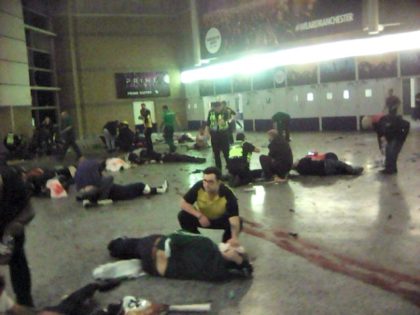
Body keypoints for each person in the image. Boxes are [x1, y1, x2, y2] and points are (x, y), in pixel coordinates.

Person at [107, 230, 253, 282]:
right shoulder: (220, 275)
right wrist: (239, 261)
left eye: (231, 245)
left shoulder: (206, 244)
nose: (229, 242)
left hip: (151, 248)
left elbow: (174, 237)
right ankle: (120, 247)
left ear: (228, 251)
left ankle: (117, 245)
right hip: (156, 270)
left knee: (137, 243)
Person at [0, 166, 35, 307]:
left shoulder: (13, 181)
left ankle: (25, 301)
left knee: (17, 259)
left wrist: (10, 232)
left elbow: (30, 211)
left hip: (12, 222)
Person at [178, 167, 241, 244]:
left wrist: (234, 238)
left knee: (239, 222)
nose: (206, 185)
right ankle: (198, 241)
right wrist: (199, 215)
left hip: (220, 220)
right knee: (183, 215)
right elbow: (183, 203)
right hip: (203, 219)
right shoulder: (199, 187)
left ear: (218, 182)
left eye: (211, 182)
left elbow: (234, 219)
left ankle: (226, 245)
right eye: (205, 181)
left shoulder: (228, 194)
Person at [74, 158, 167, 207]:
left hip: (82, 191)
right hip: (99, 191)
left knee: (106, 184)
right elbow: (101, 178)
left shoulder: (84, 165)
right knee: (139, 185)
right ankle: (159, 190)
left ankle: (94, 197)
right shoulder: (97, 165)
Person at [293, 152, 364, 176]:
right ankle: (352, 169)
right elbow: (312, 153)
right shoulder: (302, 161)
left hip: (325, 173)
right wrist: (299, 159)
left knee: (340, 170)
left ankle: (348, 171)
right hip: (325, 164)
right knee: (338, 162)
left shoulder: (300, 172)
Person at [206, 102, 230, 171]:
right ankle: (218, 170)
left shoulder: (225, 112)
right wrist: (207, 132)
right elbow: (208, 123)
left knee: (226, 153)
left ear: (221, 106)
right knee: (216, 154)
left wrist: (218, 122)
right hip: (214, 136)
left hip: (223, 135)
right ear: (214, 107)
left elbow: (225, 120)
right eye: (215, 108)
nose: (217, 109)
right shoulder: (211, 112)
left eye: (219, 107)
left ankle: (230, 168)